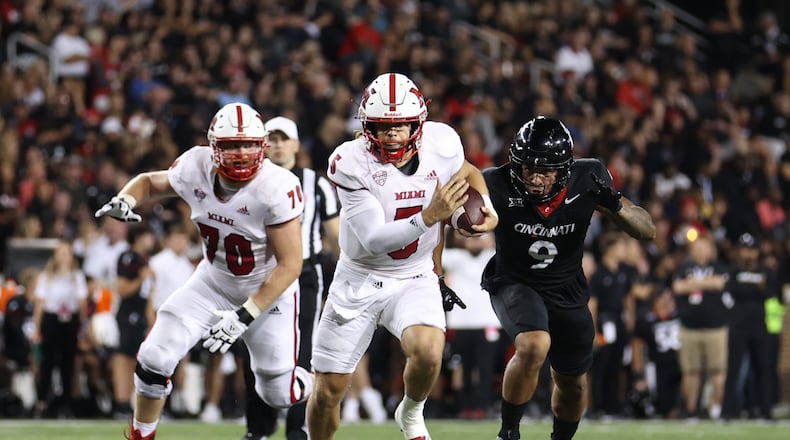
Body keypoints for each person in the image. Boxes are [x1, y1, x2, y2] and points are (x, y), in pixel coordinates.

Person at [94, 102, 312, 440]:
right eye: (232, 145)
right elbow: (150, 183)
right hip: (214, 282)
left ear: (262, 146)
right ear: (213, 147)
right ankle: (141, 435)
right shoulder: (195, 165)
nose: (241, 153)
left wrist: (245, 315)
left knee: (278, 394)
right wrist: (127, 198)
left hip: (267, 293)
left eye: (249, 144)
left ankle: (318, 380)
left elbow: (291, 264)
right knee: (154, 355)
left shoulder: (276, 186)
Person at [307, 72, 499, 440]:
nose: (392, 134)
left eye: (400, 125)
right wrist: (430, 216)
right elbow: (374, 239)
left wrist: (487, 208)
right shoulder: (350, 161)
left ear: (417, 124)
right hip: (360, 276)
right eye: (382, 125)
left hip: (414, 274)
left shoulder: (442, 143)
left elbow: (468, 172)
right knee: (328, 392)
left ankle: (410, 412)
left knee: (429, 351)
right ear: (367, 126)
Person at [480, 116, 656, 440]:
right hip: (515, 281)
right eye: (528, 168)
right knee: (534, 344)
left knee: (573, 384)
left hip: (567, 289)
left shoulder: (587, 178)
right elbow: (450, 216)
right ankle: (508, 434)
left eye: (545, 170)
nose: (535, 178)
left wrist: (614, 205)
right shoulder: (495, 182)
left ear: (563, 169)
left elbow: (647, 230)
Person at [239, 115, 340, 440]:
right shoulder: (249, 181)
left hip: (305, 272)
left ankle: (297, 428)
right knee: (254, 349)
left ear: (296, 145)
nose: (278, 145)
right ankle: (258, 428)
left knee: (303, 351)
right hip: (262, 274)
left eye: (284, 139)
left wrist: (345, 276)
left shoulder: (316, 183)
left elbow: (335, 235)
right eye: (272, 139)